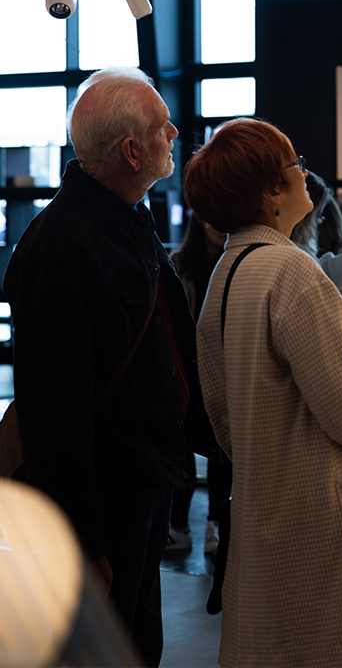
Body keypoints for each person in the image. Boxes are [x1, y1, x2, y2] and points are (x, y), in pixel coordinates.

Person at [183, 117, 342, 668]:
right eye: (294, 162)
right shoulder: (292, 273)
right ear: (271, 189)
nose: (303, 172)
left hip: (270, 519)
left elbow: (223, 421)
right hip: (331, 534)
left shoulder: (228, 273)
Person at [3, 66, 217, 668]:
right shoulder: (63, 243)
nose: (174, 131)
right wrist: (84, 536)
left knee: (138, 643)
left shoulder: (126, 222)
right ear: (130, 149)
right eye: (160, 126)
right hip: (107, 493)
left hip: (141, 478)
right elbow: (53, 405)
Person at [169, 212, 232, 556]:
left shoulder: (234, 259)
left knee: (222, 453)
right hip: (188, 370)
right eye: (212, 221)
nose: (220, 228)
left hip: (222, 367)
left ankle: (216, 526)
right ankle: (179, 526)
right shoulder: (180, 263)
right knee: (184, 451)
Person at [291, 171, 342, 290]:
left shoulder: (298, 251)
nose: (318, 223)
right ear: (306, 216)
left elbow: (319, 269)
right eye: (318, 215)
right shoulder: (299, 254)